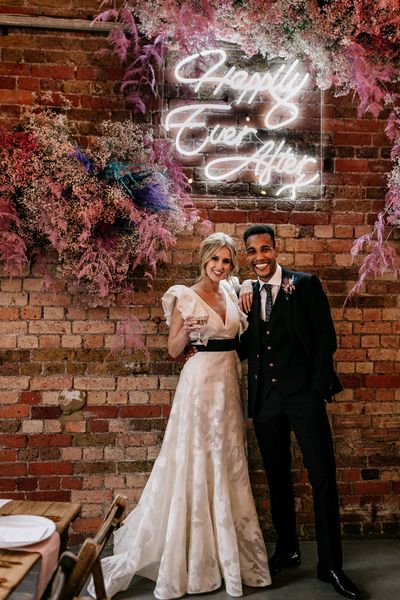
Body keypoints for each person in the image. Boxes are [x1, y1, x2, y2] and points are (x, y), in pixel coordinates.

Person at [88, 232, 271, 599]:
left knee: (227, 461)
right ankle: (189, 553)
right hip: (199, 382)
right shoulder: (183, 295)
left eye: (226, 261)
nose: (220, 266)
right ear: (203, 259)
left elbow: (253, 283)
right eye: (214, 259)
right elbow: (172, 351)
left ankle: (225, 554)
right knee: (195, 458)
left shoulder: (234, 291)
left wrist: (248, 280)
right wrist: (184, 333)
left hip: (229, 383)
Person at [239, 224, 363, 600]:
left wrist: (313, 389)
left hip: (303, 397)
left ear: (276, 249)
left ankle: (331, 566)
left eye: (265, 249)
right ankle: (288, 549)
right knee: (277, 478)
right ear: (247, 256)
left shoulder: (304, 284)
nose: (259, 257)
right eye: (252, 252)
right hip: (266, 401)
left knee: (322, 477)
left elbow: (327, 339)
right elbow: (246, 349)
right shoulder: (246, 293)